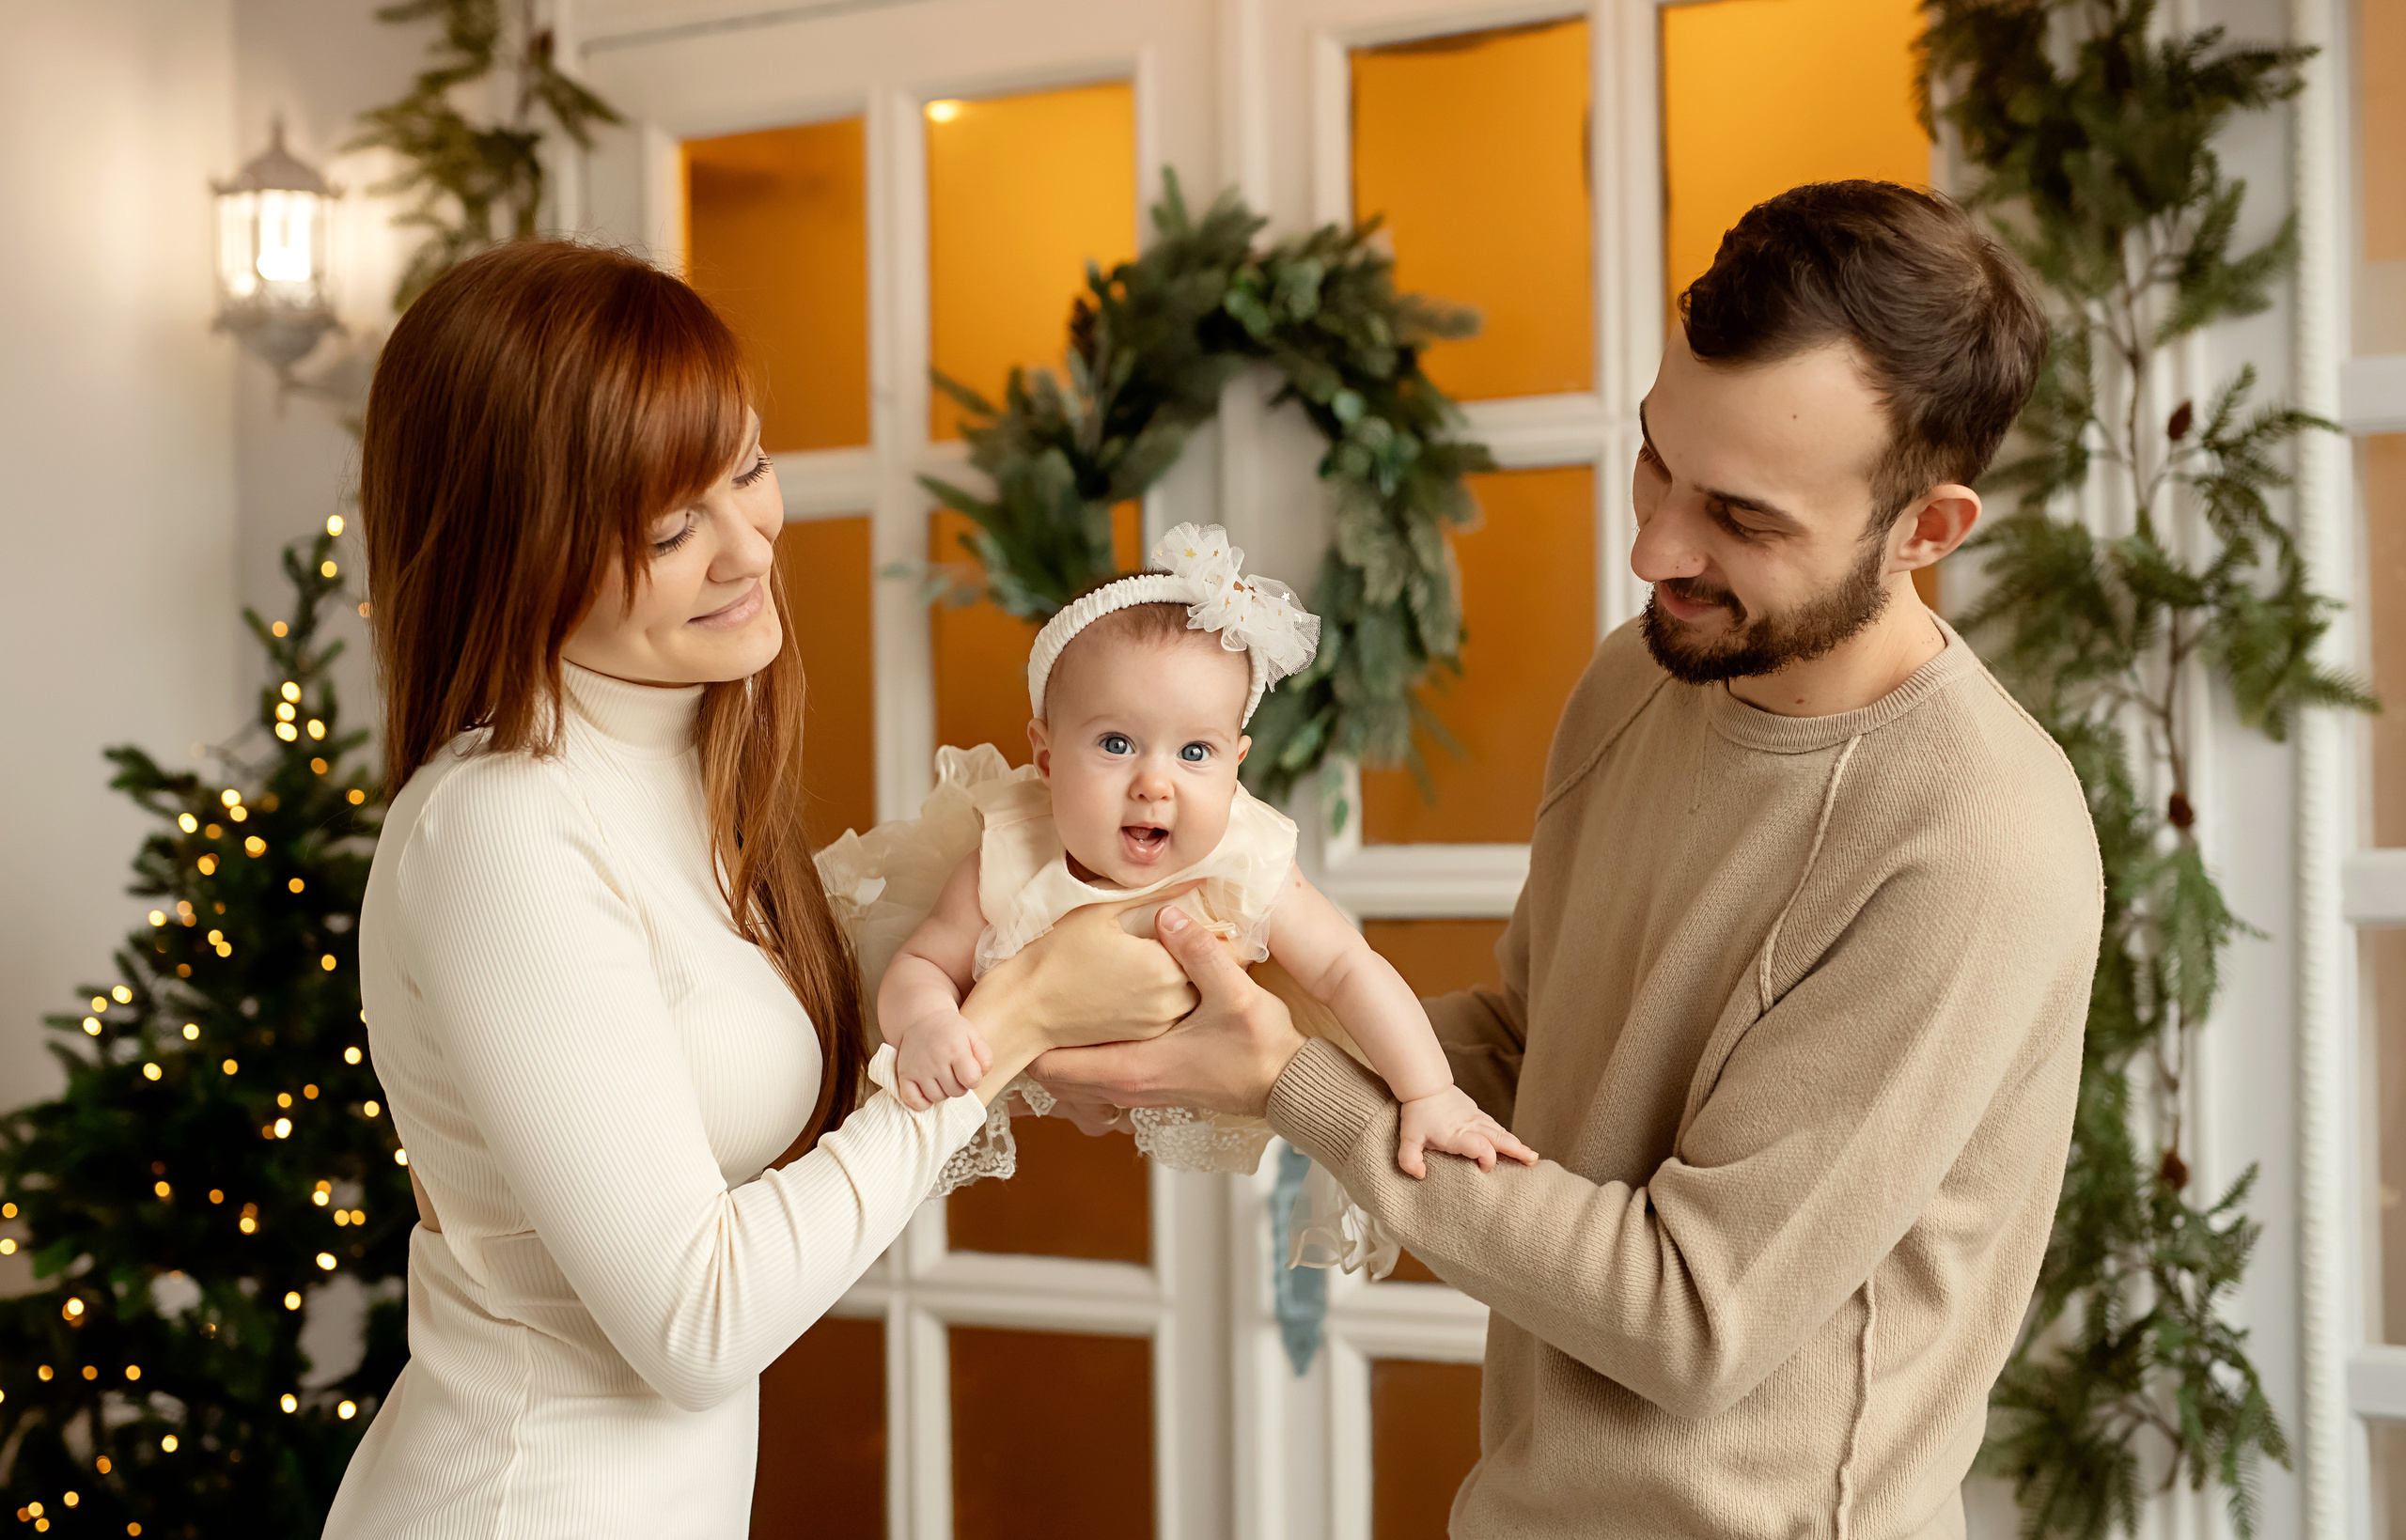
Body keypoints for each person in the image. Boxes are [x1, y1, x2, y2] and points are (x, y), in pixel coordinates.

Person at [1036, 180, 2105, 1539]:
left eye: (1743, 518)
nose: (1655, 546)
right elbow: (1534, 1054)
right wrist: (1182, 1029)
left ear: (1927, 530)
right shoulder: (1640, 677)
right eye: (1656, 460)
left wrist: (1287, 1081)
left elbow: (1691, 1316)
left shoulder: (1975, 843)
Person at [326, 241, 1195, 1539]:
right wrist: (1013, 1021)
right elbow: (698, 1321)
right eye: (670, 527)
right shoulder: (497, 829)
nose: (748, 546)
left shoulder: (677, 767)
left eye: (746, 468)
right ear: (517, 551)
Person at [819, 523, 1532, 1238]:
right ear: (1046, 755)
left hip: (1197, 1063)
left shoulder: (1245, 854)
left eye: (1195, 752)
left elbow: (1348, 967)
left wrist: (1430, 1092)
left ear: (1236, 764)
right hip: (1031, 1061)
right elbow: (920, 962)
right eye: (1116, 744)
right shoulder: (1009, 851)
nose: (1154, 783)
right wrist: (928, 1021)